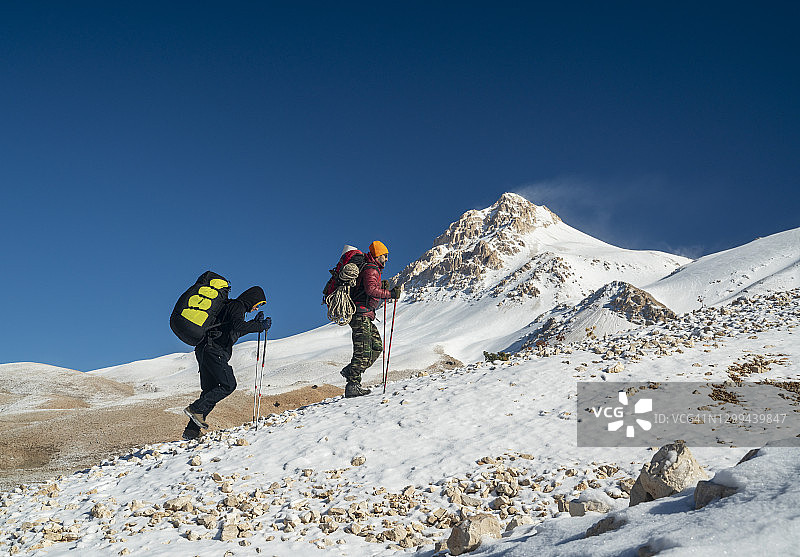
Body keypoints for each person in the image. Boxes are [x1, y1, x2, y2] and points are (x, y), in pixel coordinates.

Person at [183, 286, 271, 440]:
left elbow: (234, 330)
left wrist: (254, 324)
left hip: (205, 350)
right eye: (258, 304)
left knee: (210, 391)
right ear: (252, 299)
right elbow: (238, 326)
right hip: (213, 350)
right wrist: (259, 326)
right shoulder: (237, 306)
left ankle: (191, 431)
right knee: (228, 385)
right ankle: (195, 409)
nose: (257, 308)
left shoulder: (231, 308)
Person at [340, 240, 401, 398]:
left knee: (377, 347)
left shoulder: (371, 268)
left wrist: (382, 287)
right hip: (360, 314)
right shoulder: (371, 268)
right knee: (362, 352)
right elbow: (371, 290)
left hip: (365, 314)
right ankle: (352, 384)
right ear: (378, 255)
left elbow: (368, 288)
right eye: (385, 256)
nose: (386, 259)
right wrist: (390, 295)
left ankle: (350, 371)